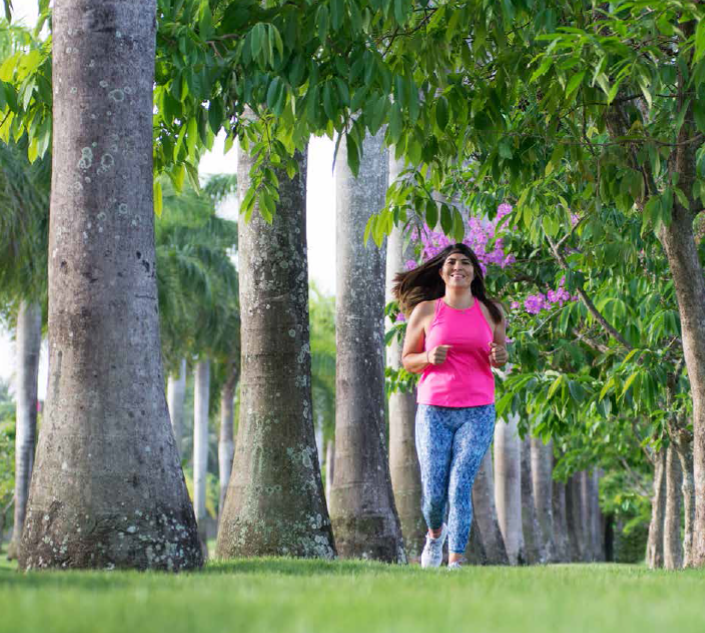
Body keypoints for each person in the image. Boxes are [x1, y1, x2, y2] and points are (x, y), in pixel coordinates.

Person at [394, 243, 508, 569]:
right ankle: (434, 534)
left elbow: (499, 355)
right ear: (442, 271)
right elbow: (407, 360)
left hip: (478, 409)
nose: (459, 267)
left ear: (475, 271)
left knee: (460, 486)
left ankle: (455, 562)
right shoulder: (427, 311)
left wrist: (500, 356)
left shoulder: (492, 311)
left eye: (466, 262)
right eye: (452, 262)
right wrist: (427, 357)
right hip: (433, 410)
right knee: (433, 491)